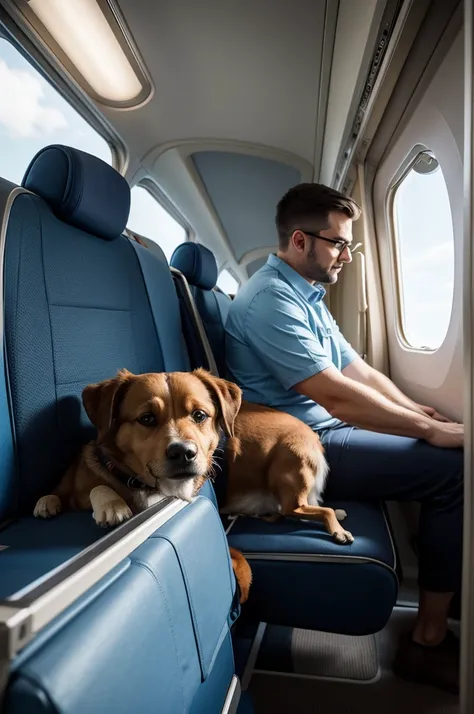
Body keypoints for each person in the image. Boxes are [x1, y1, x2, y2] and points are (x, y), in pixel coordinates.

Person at [224, 182, 463, 694]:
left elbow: (357, 371)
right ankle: (427, 640)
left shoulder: (305, 294)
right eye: (338, 242)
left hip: (330, 427)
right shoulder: (268, 300)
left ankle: (447, 589)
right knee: (455, 472)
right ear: (300, 241)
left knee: (441, 443)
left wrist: (415, 410)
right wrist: (430, 432)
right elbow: (334, 396)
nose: (348, 255)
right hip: (305, 444)